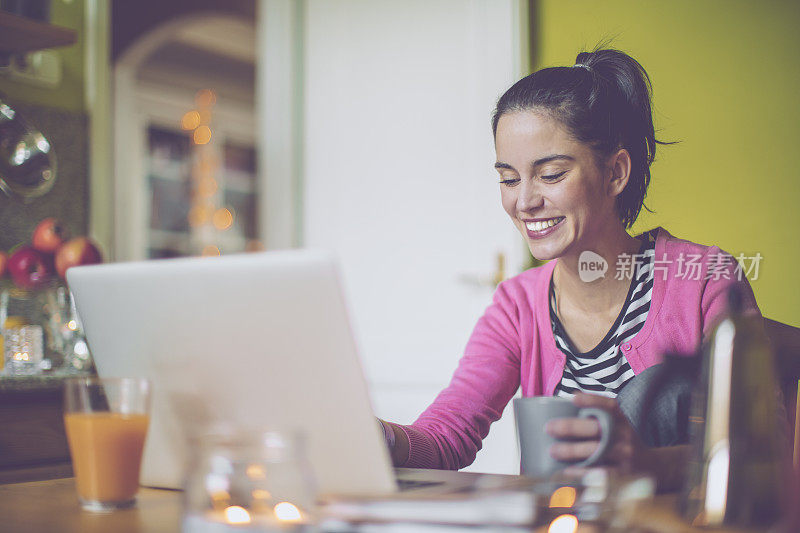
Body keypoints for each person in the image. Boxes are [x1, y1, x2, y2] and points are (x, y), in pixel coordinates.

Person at [377, 48, 765, 491]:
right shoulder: (516, 304)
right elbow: (447, 437)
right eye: (508, 178)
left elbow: (757, 451)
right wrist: (382, 437)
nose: (523, 201)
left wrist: (649, 465)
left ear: (615, 172)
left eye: (551, 174)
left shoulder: (704, 280)